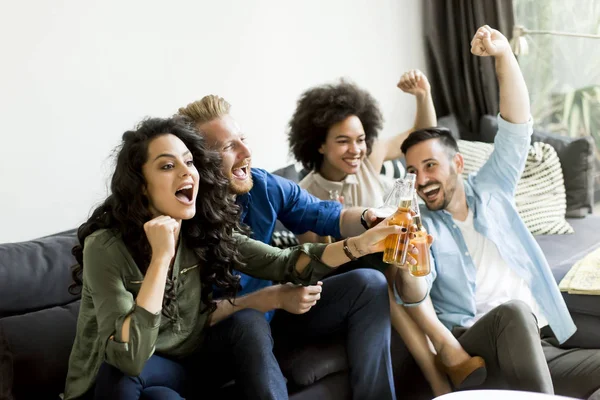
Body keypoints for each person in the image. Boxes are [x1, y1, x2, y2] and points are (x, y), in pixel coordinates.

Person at [63, 116, 402, 400]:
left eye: (189, 161)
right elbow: (131, 359)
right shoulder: (106, 247)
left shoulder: (201, 226)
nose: (186, 172)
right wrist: (161, 258)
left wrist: (361, 243)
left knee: (248, 323)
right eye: (168, 165)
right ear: (140, 184)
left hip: (192, 364)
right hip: (131, 374)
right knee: (129, 379)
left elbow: (284, 262)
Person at [399, 25, 600, 399]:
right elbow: (413, 294)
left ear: (457, 163)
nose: (421, 179)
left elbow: (517, 129)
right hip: (479, 345)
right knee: (514, 311)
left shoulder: (492, 188)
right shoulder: (420, 225)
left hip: (542, 340)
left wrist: (504, 56)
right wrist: (407, 262)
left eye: (430, 166)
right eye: (412, 171)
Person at [286, 72, 485, 396]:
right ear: (319, 144)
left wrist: (423, 95)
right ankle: (443, 365)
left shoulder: (367, 161)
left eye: (361, 139)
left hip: (393, 260)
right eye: (343, 141)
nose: (356, 150)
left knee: (397, 256)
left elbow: (420, 138)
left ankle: (442, 373)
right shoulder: (304, 195)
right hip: (350, 278)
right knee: (382, 269)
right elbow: (316, 267)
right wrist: (328, 230)